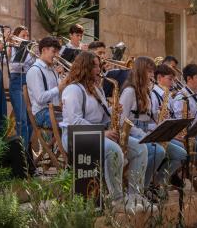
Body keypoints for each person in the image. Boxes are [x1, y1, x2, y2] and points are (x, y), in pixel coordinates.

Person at [61, 51, 147, 212]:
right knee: (114, 151)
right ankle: (117, 200)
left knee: (141, 148)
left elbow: (101, 116)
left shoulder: (96, 89)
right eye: (95, 65)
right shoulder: (73, 90)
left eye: (99, 65)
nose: (99, 69)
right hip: (76, 136)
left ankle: (136, 196)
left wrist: (113, 111)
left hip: (98, 133)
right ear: (85, 67)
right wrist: (102, 132)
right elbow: (75, 121)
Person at [119, 57, 165, 191]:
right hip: (131, 133)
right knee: (158, 151)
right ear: (140, 72)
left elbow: (147, 119)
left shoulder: (147, 91)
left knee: (176, 152)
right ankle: (138, 189)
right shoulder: (129, 91)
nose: (152, 75)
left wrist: (158, 117)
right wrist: (143, 134)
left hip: (144, 132)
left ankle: (147, 186)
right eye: (149, 71)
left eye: (153, 72)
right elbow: (123, 121)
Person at [149, 64, 187, 187]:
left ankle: (159, 181)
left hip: (166, 133)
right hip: (156, 134)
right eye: (170, 79)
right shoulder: (153, 94)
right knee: (180, 150)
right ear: (159, 78)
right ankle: (151, 182)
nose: (172, 83)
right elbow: (152, 121)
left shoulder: (167, 94)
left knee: (182, 152)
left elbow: (171, 118)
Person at [26, 37, 66, 128]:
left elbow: (57, 95)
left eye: (57, 52)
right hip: (41, 113)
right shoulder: (35, 70)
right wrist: (59, 88)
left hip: (55, 110)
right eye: (54, 52)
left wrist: (61, 78)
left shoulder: (52, 69)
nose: (56, 55)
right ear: (44, 50)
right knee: (71, 123)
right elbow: (40, 98)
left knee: (78, 117)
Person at [8, 26, 35, 148]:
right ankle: (21, 153)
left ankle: (27, 149)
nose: (26, 38)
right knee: (22, 119)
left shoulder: (30, 49)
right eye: (23, 35)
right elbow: (14, 65)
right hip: (17, 80)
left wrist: (35, 55)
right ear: (16, 35)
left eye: (27, 36)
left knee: (30, 120)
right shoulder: (12, 47)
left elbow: (34, 67)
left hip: (29, 81)